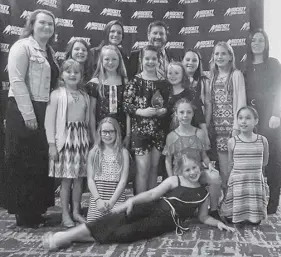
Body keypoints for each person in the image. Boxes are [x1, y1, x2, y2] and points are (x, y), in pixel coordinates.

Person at [42, 156, 235, 251]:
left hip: (163, 222)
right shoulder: (174, 180)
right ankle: (64, 236)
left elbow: (203, 216)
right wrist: (131, 201)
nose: (192, 172)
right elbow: (152, 194)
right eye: (188, 170)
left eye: (194, 168)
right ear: (181, 171)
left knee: (126, 233)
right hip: (153, 207)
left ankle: (67, 238)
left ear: (199, 168)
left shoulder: (203, 193)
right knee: (116, 218)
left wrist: (218, 223)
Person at [3, 9, 59, 227]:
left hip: (43, 107)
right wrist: (28, 114)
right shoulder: (22, 46)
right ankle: (24, 215)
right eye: (42, 23)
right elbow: (16, 81)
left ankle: (36, 210)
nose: (46, 27)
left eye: (50, 24)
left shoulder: (49, 51)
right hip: (23, 108)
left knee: (38, 162)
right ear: (32, 24)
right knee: (24, 162)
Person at [45, 59, 90, 228]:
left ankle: (76, 211)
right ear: (62, 75)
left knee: (79, 180)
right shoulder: (57, 94)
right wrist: (52, 144)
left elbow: (86, 120)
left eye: (76, 72)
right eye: (68, 71)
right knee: (66, 181)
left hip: (81, 140)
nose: (72, 75)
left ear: (81, 75)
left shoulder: (85, 95)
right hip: (65, 141)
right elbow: (49, 122)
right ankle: (65, 213)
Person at [163, 98, 221, 218]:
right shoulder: (172, 136)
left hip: (197, 173)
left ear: (193, 114)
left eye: (189, 112)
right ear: (176, 114)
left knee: (215, 176)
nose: (185, 116)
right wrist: (172, 179)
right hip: (181, 176)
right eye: (182, 112)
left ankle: (214, 210)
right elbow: (168, 161)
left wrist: (209, 165)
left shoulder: (199, 133)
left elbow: (204, 156)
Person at [123, 45, 169, 193]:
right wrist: (141, 112)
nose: (150, 61)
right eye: (147, 58)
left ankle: (151, 205)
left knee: (154, 168)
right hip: (140, 132)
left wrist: (164, 110)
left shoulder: (163, 82)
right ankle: (141, 206)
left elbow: (170, 103)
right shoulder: (135, 81)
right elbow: (126, 104)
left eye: (153, 58)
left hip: (159, 131)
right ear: (142, 60)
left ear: (159, 60)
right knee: (143, 169)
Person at [244, 29, 281, 215]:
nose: (257, 43)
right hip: (251, 120)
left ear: (266, 43)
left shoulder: (274, 64)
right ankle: (254, 201)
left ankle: (273, 203)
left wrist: (277, 113)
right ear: (249, 44)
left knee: (273, 160)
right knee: (254, 161)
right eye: (253, 40)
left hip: (271, 119)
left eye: (260, 40)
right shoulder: (246, 67)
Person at [220, 106, 269, 224]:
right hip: (238, 181)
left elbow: (265, 161)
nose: (243, 121)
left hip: (254, 180)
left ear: (256, 121)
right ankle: (235, 212)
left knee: (255, 221)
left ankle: (253, 214)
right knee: (231, 218)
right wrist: (229, 181)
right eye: (240, 118)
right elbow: (230, 163)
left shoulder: (262, 140)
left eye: (248, 118)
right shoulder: (232, 141)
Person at [209, 41, 246, 192]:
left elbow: (241, 102)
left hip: (232, 129)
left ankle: (236, 203)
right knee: (224, 169)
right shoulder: (213, 76)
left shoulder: (236, 75)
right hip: (218, 131)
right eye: (217, 54)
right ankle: (226, 203)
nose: (220, 56)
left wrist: (237, 127)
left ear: (231, 57)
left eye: (223, 53)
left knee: (234, 168)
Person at [87, 117, 129, 222]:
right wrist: (98, 200)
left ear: (117, 132)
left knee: (116, 229)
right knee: (93, 229)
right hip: (98, 198)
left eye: (111, 131)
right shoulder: (94, 152)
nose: (107, 135)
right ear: (99, 132)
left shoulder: (123, 152)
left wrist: (112, 202)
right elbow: (90, 180)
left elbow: (123, 181)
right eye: (104, 132)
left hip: (116, 198)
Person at [86, 45, 130, 146]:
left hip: (120, 132)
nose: (111, 62)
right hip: (101, 132)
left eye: (114, 59)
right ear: (101, 61)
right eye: (107, 59)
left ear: (119, 60)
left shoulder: (125, 82)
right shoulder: (95, 83)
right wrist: (94, 136)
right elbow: (91, 112)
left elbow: (128, 112)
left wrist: (128, 135)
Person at [166, 62, 209, 143]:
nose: (173, 76)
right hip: (169, 135)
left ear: (183, 75)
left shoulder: (190, 93)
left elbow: (200, 116)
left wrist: (205, 136)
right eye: (170, 73)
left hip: (188, 135)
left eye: (176, 73)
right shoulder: (164, 92)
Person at [182, 49, 212, 145]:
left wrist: (205, 126)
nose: (190, 63)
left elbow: (208, 104)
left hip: (198, 125)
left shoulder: (204, 81)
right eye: (187, 59)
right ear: (182, 61)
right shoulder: (176, 80)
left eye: (194, 60)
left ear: (199, 63)